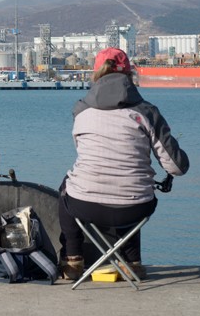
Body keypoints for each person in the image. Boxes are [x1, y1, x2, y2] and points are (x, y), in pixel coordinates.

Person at [58, 47, 189, 281]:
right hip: (136, 209)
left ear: (96, 74)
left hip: (86, 206)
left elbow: (82, 151)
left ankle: (72, 261)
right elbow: (177, 168)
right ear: (130, 75)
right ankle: (133, 264)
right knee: (132, 185)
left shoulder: (80, 110)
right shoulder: (147, 112)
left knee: (66, 188)